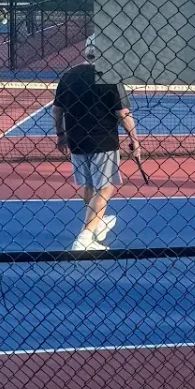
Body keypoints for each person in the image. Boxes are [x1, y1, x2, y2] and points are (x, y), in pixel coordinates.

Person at [55, 37, 141, 251]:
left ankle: (96, 222)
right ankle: (85, 238)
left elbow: (57, 110)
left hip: (76, 139)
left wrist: (60, 135)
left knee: (90, 185)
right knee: (105, 188)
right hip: (103, 140)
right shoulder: (110, 76)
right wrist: (135, 140)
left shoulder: (68, 75)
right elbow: (123, 113)